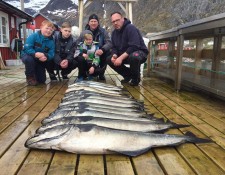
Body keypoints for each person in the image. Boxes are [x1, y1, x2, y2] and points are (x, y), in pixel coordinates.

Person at [107, 12, 149, 86]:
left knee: (134, 57)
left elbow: (134, 46)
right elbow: (114, 47)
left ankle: (135, 78)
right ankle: (128, 75)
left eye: (117, 20)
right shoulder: (114, 33)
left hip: (139, 53)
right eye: (113, 21)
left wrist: (120, 58)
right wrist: (114, 55)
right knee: (109, 59)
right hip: (125, 55)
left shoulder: (130, 28)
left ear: (123, 19)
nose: (115, 23)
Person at [76, 14, 112, 80]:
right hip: (87, 55)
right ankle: (82, 73)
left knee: (107, 53)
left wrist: (102, 49)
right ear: (88, 23)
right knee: (80, 57)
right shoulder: (84, 33)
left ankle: (101, 73)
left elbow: (109, 43)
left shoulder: (103, 32)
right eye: (91, 21)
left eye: (95, 21)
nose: (93, 23)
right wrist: (82, 52)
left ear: (98, 23)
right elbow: (77, 44)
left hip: (98, 53)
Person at [21, 20, 55, 86]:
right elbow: (27, 47)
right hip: (28, 55)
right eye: (47, 28)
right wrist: (35, 54)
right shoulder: (33, 36)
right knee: (29, 60)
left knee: (41, 80)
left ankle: (35, 74)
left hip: (40, 59)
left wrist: (46, 56)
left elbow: (52, 53)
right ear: (41, 27)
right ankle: (29, 77)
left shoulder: (51, 41)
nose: (49, 31)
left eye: (51, 30)